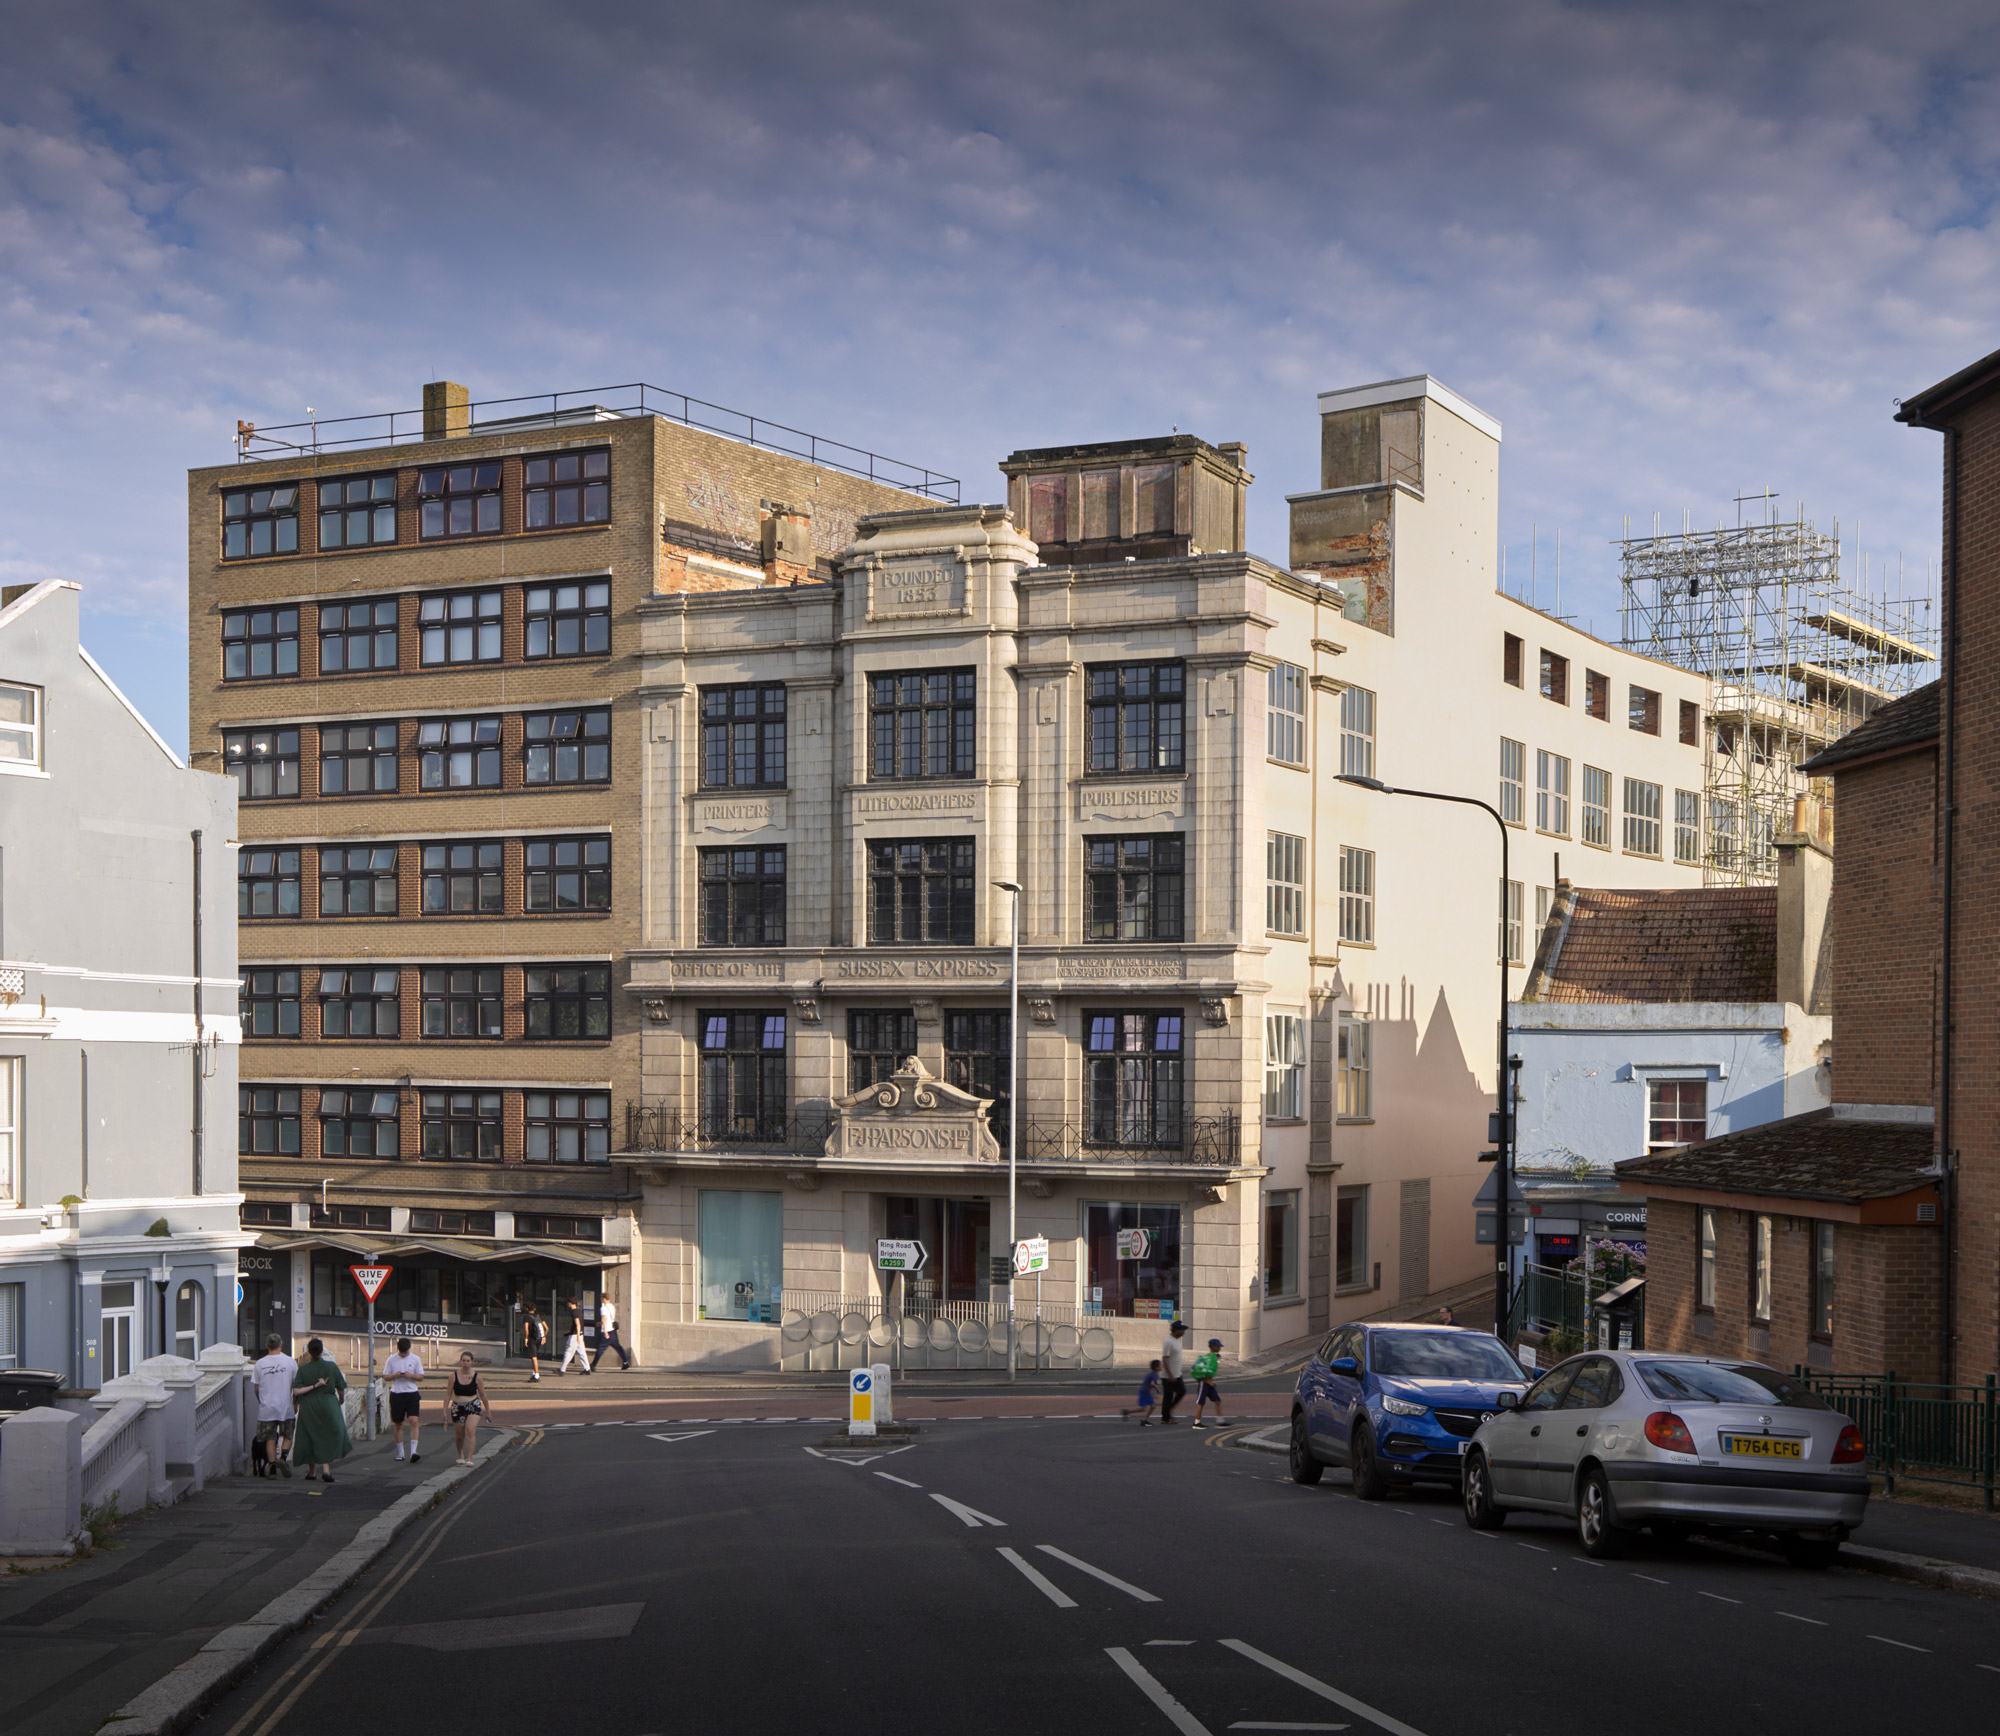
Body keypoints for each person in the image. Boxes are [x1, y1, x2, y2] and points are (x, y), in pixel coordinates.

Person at [291, 1338, 351, 1483]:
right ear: (322, 1351)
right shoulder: (331, 1366)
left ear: (309, 1352)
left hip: (309, 1405)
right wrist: (341, 1400)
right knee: (327, 1436)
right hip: (328, 1403)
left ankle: (312, 1472)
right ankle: (326, 1469)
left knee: (310, 1436)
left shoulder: (304, 1369)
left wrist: (295, 1404)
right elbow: (341, 1387)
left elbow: (296, 1391)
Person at [250, 1333, 297, 1478]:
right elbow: (295, 1386)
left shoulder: (260, 1364)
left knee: (270, 1437)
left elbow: (256, 1388)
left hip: (267, 1408)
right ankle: (283, 1457)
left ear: (266, 1346)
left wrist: (261, 1401)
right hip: (285, 1406)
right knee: (288, 1435)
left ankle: (272, 1468)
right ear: (281, 1345)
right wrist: (295, 1403)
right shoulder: (290, 1362)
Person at [384, 1335, 425, 1463]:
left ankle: (413, 1452)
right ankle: (401, 1453)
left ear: (409, 1349)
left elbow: (421, 1377)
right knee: (398, 1424)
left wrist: (410, 1375)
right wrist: (394, 1375)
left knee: (413, 1421)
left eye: (406, 1352)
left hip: (411, 1393)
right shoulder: (391, 1359)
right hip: (397, 1393)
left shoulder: (415, 1359)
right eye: (402, 1352)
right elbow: (385, 1376)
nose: (404, 1354)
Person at [447, 1352, 493, 1466]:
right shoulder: (453, 1376)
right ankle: (460, 1455)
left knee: (470, 1430)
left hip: (473, 1405)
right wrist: (444, 1410)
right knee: (459, 1435)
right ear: (460, 1361)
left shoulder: (477, 1377)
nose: (465, 1363)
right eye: (463, 1360)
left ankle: (469, 1458)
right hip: (457, 1406)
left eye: (468, 1361)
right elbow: (448, 1395)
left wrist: (488, 1411)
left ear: (472, 1362)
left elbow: (483, 1395)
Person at [1190, 1337, 1226, 1429]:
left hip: (1209, 1383)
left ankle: (1220, 1421)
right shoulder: (1209, 1357)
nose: (1219, 1348)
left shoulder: (1213, 1357)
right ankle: (1196, 1423)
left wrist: (1211, 1382)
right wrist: (1208, 1381)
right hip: (1204, 1383)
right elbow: (1205, 1372)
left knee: (1217, 1400)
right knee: (1201, 1402)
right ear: (1213, 1347)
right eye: (1218, 1346)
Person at [1159, 1320, 1188, 1424]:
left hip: (1177, 1374)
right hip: (1168, 1376)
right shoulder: (1168, 1341)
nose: (1184, 1332)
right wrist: (1170, 1375)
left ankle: (1167, 1412)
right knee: (1168, 1397)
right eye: (1182, 1330)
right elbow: (1165, 1359)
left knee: (1181, 1392)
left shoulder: (1177, 1340)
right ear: (1175, 1330)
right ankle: (1166, 1418)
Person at [593, 1294, 632, 1370]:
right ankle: (625, 1362)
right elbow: (609, 1319)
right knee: (618, 1347)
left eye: (601, 1298)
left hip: (606, 1331)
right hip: (612, 1331)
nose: (601, 1300)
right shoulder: (612, 1307)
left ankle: (593, 1365)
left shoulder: (603, 1308)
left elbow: (604, 1319)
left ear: (604, 1298)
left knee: (600, 1349)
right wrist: (600, 1323)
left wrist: (605, 1332)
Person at [558, 1298, 594, 1376]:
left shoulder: (574, 1312)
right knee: (582, 1353)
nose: (567, 1304)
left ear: (571, 1303)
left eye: (568, 1302)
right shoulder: (579, 1311)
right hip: (580, 1334)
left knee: (569, 1352)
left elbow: (578, 1324)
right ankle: (587, 1369)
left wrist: (577, 1336)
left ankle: (562, 1370)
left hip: (575, 1336)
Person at [1125, 1359, 1163, 1425]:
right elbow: (1152, 1384)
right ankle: (1127, 1412)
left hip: (1146, 1392)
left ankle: (1144, 1420)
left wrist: (1152, 1395)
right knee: (1143, 1409)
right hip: (1143, 1393)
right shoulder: (1154, 1375)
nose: (1161, 1366)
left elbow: (1148, 1385)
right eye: (1160, 1365)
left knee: (1153, 1406)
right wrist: (1158, 1389)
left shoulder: (1153, 1374)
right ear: (1156, 1367)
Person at [521, 1302, 547, 1380]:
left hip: (532, 1339)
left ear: (527, 1309)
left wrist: (525, 1338)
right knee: (534, 1355)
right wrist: (544, 1337)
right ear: (534, 1309)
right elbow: (547, 1328)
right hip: (539, 1339)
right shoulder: (539, 1316)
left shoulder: (527, 1318)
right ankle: (534, 1372)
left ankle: (536, 1375)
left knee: (533, 1357)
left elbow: (526, 1329)